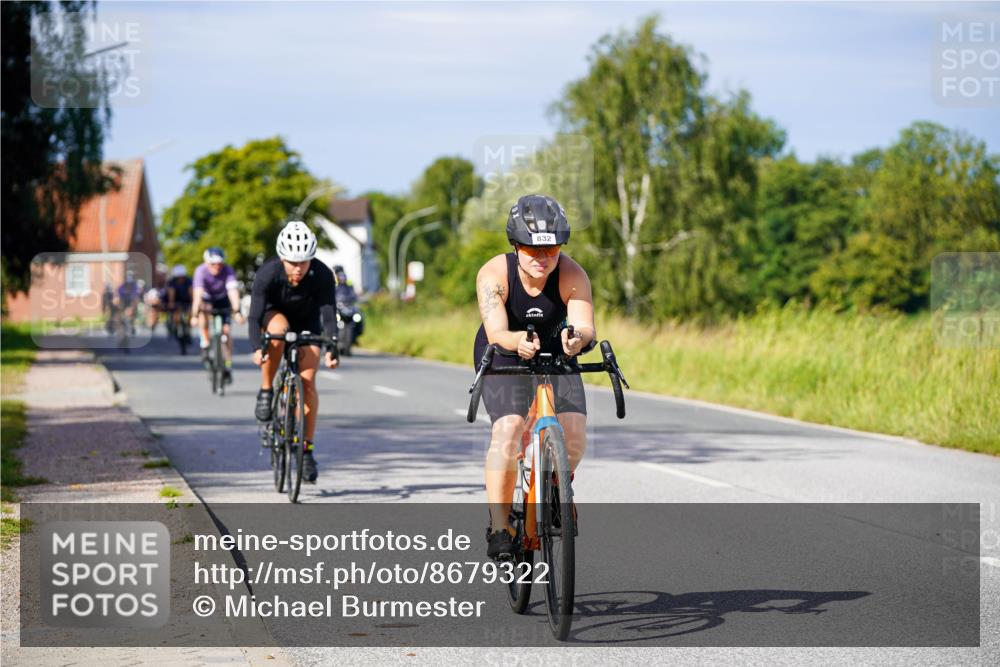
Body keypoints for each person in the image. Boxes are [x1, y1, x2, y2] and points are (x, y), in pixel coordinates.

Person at [473, 194, 596, 560]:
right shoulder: (494, 274)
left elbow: (586, 326)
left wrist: (576, 339)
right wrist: (516, 340)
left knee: (573, 431)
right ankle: (499, 525)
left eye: (552, 249)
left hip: (557, 351)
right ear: (515, 245)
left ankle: (556, 486)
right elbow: (496, 331)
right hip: (505, 350)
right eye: (532, 250)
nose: (543, 259)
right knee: (509, 429)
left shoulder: (572, 274)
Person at [249, 221, 339, 483]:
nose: (297, 268)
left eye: (303, 262)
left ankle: (307, 450)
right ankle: (267, 390)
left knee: (308, 382)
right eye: (292, 262)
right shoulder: (268, 274)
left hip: (308, 322)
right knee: (279, 329)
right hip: (275, 317)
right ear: (282, 258)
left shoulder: (322, 274)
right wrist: (257, 348)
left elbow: (328, 315)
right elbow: (255, 317)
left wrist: (332, 348)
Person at [190, 248, 244, 382]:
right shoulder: (200, 271)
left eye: (219, 264)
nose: (217, 267)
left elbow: (233, 292)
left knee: (226, 332)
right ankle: (205, 341)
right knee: (203, 313)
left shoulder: (228, 270)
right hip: (207, 300)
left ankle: (228, 364)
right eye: (213, 264)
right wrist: (194, 315)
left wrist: (237, 311)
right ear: (207, 263)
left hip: (222, 300)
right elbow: (197, 295)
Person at [166, 264, 193, 339]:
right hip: (176, 300)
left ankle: (188, 330)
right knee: (176, 314)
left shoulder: (188, 281)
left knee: (190, 313)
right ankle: (176, 326)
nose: (180, 278)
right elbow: (171, 293)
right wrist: (171, 303)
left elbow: (191, 292)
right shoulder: (172, 282)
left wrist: (192, 303)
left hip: (186, 300)